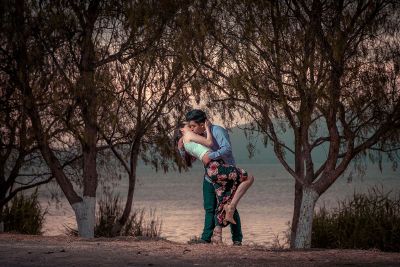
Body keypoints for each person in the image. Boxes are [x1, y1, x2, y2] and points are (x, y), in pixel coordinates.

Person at [176, 110, 254, 245]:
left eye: (193, 126)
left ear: (202, 123)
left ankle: (237, 240)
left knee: (228, 205)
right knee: (209, 207)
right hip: (210, 174)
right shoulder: (197, 135)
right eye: (190, 126)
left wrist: (210, 156)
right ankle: (206, 238)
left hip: (224, 171)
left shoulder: (217, 131)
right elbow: (193, 158)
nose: (192, 129)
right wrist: (182, 149)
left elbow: (226, 149)